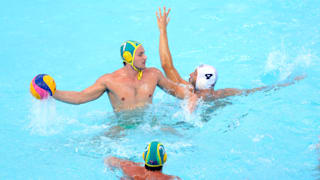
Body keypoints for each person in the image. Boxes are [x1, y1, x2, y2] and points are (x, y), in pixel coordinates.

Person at [156, 7, 304, 101]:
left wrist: (163, 30)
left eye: (194, 74)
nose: (189, 74)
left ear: (200, 81)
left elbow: (166, 66)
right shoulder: (224, 94)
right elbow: (256, 91)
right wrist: (287, 82)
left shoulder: (189, 93)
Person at [53, 40, 197, 112]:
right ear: (128, 57)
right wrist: (53, 93)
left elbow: (177, 91)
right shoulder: (109, 81)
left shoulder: (154, 75)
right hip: (123, 130)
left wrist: (192, 97)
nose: (145, 57)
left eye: (144, 53)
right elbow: (80, 97)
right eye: (140, 54)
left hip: (149, 126)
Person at [105, 141, 180, 180]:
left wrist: (132, 163)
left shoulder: (128, 168)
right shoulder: (172, 179)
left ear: (144, 157)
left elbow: (108, 159)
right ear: (164, 158)